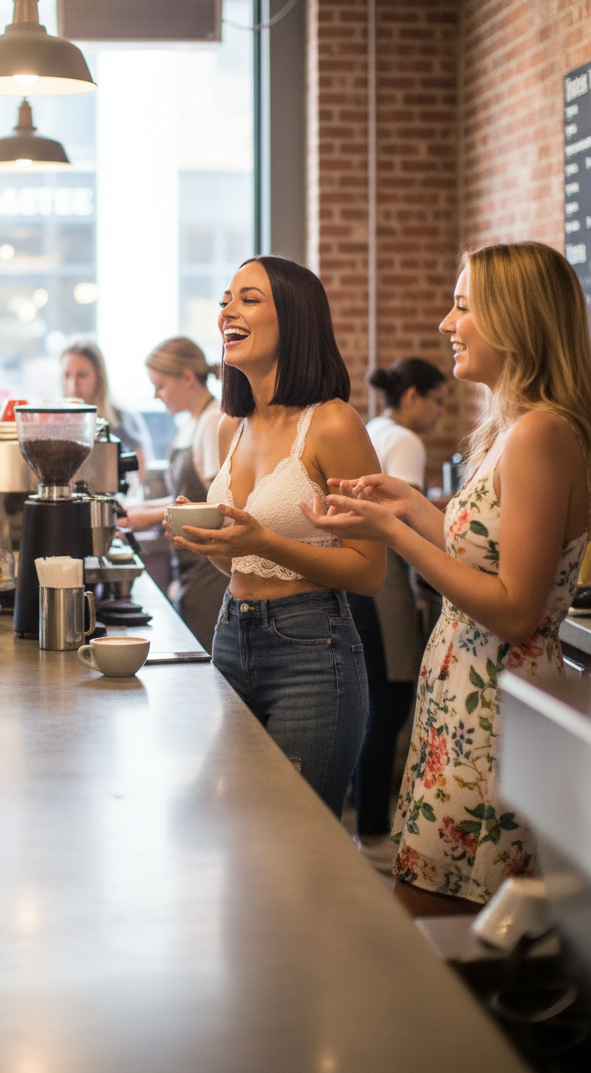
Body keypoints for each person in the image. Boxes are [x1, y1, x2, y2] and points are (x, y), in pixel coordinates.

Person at [304, 242, 591, 912]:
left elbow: (516, 609)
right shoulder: (513, 430)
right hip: (469, 705)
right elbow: (485, 550)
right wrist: (408, 507)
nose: (445, 323)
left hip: (494, 711)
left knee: (440, 914)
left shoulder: (540, 434)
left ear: (513, 320)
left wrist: (394, 535)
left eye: (462, 306)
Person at [165, 257, 386, 817]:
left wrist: (262, 542)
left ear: (295, 319)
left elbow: (370, 569)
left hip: (313, 652)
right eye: (224, 300)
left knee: (298, 848)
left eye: (248, 299)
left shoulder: (333, 424)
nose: (227, 312)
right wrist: (215, 544)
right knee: (235, 832)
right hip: (231, 636)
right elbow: (245, 565)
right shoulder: (228, 427)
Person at [347, 358, 447, 872]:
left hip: (363, 580)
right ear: (412, 397)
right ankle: (371, 831)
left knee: (373, 705)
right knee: (388, 705)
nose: (439, 411)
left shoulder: (376, 427)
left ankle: (366, 826)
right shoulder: (406, 441)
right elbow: (403, 521)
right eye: (436, 400)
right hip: (384, 584)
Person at [121, 337, 227, 652]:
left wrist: (149, 518)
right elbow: (181, 497)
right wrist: (134, 509)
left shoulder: (212, 422)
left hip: (213, 569)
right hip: (191, 564)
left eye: (160, 385)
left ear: (187, 378)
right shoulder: (191, 423)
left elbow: (216, 505)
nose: (156, 395)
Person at [61, 339, 153, 480]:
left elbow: (140, 477)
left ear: (99, 376)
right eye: (67, 375)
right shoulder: (56, 424)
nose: (73, 385)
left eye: (82, 375)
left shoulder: (123, 421)